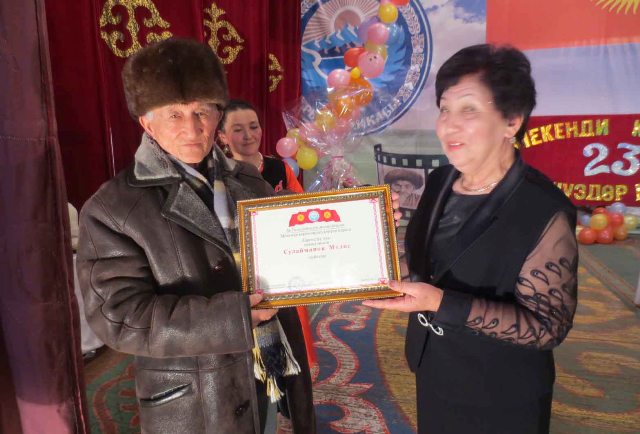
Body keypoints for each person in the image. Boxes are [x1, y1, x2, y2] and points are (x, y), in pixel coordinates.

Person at [76, 38, 315, 434]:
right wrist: (232, 318)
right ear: (146, 122)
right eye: (174, 114)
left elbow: (289, 255)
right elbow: (117, 317)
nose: (191, 128)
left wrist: (355, 226)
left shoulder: (248, 182)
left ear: (218, 114)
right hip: (195, 403)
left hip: (266, 373)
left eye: (202, 111)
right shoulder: (114, 207)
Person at [364, 44, 578, 434]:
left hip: (501, 391)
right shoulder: (440, 181)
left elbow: (548, 327)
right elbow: (428, 267)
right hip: (436, 368)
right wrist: (372, 241)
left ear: (512, 120)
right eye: (444, 109)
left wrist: (441, 303)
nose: (448, 126)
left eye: (469, 110)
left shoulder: (542, 210)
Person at [218, 99, 303, 194]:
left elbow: (302, 202)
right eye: (238, 130)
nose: (248, 136)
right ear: (223, 137)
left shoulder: (281, 168)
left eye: (253, 127)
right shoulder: (220, 177)